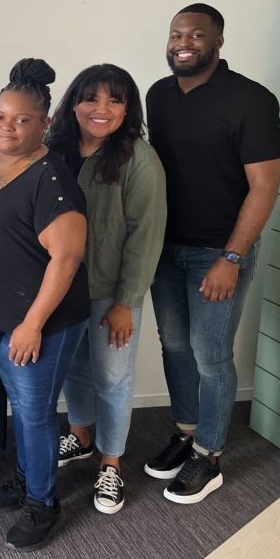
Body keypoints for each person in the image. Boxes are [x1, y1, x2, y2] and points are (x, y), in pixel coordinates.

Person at [144, 4, 280, 503]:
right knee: (175, 346)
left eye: (196, 35)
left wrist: (233, 257)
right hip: (163, 248)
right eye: (176, 34)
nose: (183, 43)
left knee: (211, 354)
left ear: (218, 41)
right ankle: (186, 432)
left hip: (219, 253)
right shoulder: (157, 95)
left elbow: (264, 186)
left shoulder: (252, 100)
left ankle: (209, 455)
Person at [0, 59, 89, 552]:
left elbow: (67, 256)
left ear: (45, 123)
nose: (6, 127)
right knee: (19, 403)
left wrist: (32, 324)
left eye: (21, 119)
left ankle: (42, 502)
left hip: (41, 324)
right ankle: (31, 478)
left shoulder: (51, 177)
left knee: (34, 413)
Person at [47, 64, 166, 514]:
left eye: (115, 100)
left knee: (113, 377)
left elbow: (145, 236)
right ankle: (80, 436)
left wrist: (126, 303)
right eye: (91, 98)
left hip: (110, 293)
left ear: (127, 108)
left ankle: (111, 462)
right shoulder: (52, 150)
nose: (102, 109)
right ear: (74, 103)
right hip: (61, 287)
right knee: (75, 369)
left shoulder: (139, 158)